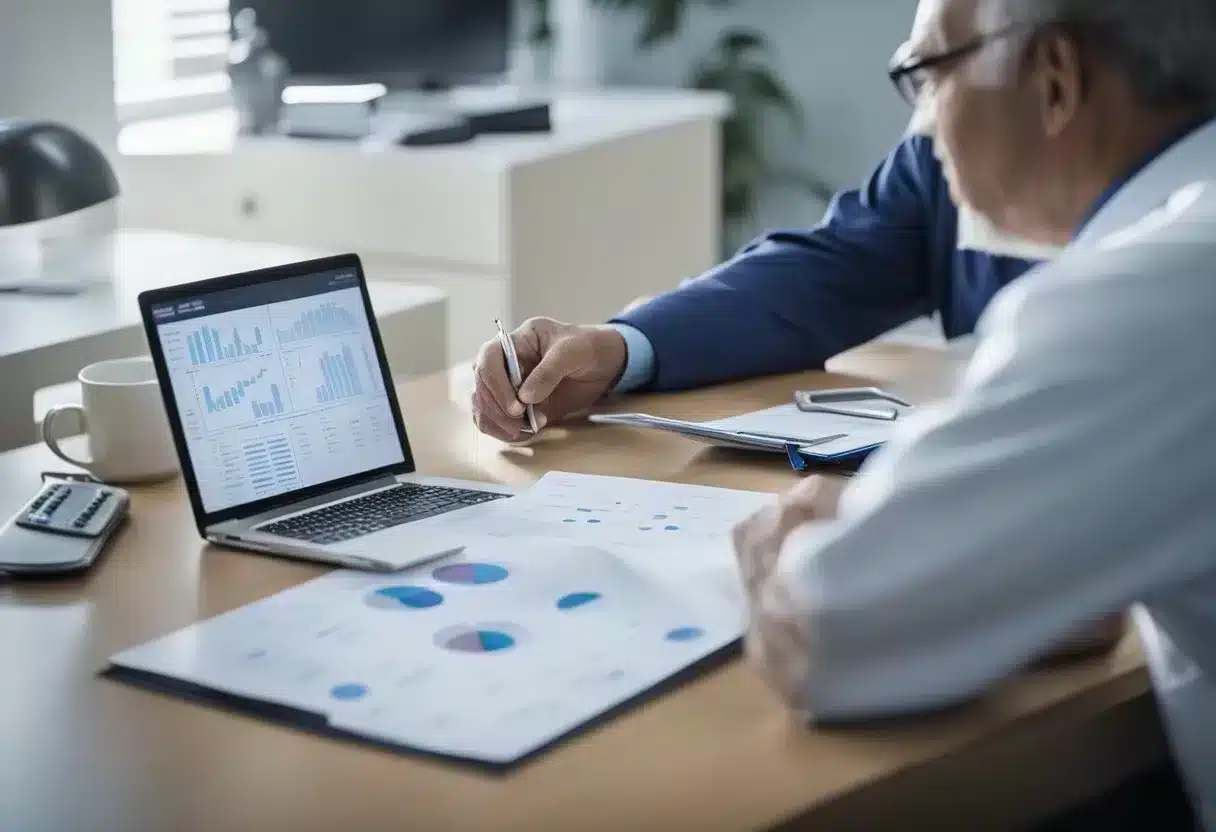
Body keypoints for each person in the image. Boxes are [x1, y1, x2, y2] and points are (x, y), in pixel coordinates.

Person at [726, 0, 1216, 828]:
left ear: (1056, 81)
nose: (921, 128)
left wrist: (811, 531)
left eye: (929, 75)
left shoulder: (1144, 300)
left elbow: (833, 631)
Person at [469, 98, 1058, 444]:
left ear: (1056, 69)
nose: (928, 107)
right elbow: (827, 272)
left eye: (938, 67)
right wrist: (618, 351)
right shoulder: (940, 157)